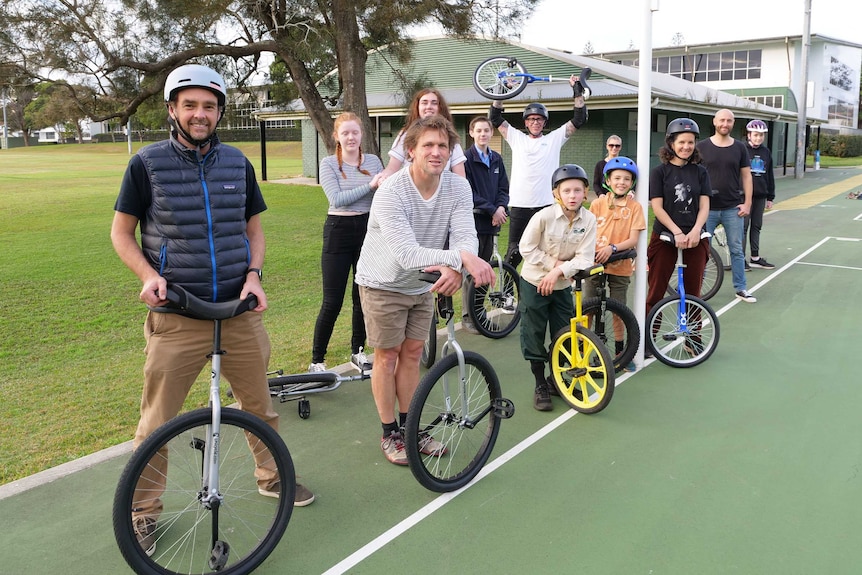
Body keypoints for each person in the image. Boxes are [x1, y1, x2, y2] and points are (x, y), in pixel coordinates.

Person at [110, 64, 314, 556]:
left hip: (238, 312)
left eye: (209, 105)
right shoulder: (147, 164)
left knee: (260, 407)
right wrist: (148, 276)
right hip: (177, 315)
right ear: (173, 110)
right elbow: (121, 233)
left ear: (219, 111)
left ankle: (271, 477)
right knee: (157, 423)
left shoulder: (238, 163)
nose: (200, 114)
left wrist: (253, 275)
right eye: (191, 105)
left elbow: (254, 231)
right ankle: (144, 511)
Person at [354, 115, 495, 465]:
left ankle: (412, 427)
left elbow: (465, 236)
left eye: (442, 146)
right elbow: (406, 253)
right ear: (411, 151)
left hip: (422, 282)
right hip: (382, 281)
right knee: (387, 356)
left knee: (414, 353)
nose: (436, 152)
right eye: (428, 145)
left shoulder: (458, 187)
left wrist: (457, 263)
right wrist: (461, 259)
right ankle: (390, 434)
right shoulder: (391, 190)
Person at [309, 112, 385, 373]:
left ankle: (358, 351)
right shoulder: (328, 163)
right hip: (338, 229)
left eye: (355, 132)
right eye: (345, 133)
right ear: (337, 137)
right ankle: (317, 360)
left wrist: (377, 187)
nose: (351, 137)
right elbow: (337, 199)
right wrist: (371, 186)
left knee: (360, 295)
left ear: (361, 134)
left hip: (367, 230)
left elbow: (382, 197)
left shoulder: (374, 161)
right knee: (333, 300)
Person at [489, 74, 589, 269]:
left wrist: (577, 91)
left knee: (547, 251)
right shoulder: (516, 137)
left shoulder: (554, 139)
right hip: (520, 204)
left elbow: (579, 118)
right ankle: (507, 293)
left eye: (539, 119)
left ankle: (544, 288)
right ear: (526, 122)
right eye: (532, 119)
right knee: (514, 251)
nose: (535, 122)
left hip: (546, 204)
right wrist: (502, 90)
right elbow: (495, 117)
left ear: (545, 122)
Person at [518, 164, 596, 411]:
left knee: (564, 333)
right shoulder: (543, 217)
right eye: (566, 191)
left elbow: (585, 258)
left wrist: (558, 272)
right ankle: (540, 383)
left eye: (577, 190)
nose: (572, 196)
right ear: (556, 194)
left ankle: (556, 378)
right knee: (534, 332)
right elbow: (526, 248)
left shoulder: (589, 219)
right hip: (534, 283)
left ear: (585, 193)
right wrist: (553, 265)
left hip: (562, 285)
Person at [646, 118, 712, 320]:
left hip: (695, 236)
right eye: (681, 142)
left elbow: (704, 205)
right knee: (656, 291)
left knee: (694, 293)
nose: (686, 147)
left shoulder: (700, 171)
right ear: (671, 144)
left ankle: (693, 339)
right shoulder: (659, 172)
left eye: (690, 142)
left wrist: (695, 231)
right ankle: (649, 339)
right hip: (665, 236)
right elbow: (657, 207)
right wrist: (676, 232)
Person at [585, 156, 646, 372]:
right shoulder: (597, 204)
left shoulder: (635, 207)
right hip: (595, 264)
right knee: (588, 309)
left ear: (632, 183)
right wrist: (593, 252)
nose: (621, 182)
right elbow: (587, 233)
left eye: (627, 179)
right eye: (617, 177)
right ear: (608, 181)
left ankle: (621, 353)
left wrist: (611, 249)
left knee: (619, 310)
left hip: (619, 264)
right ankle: (583, 350)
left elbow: (632, 240)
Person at [696, 108, 757, 303]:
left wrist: (747, 203)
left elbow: (747, 176)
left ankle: (741, 288)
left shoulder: (740, 148)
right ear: (714, 122)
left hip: (732, 208)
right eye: (722, 120)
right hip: (707, 209)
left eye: (729, 121)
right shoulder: (701, 147)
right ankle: (697, 290)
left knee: (737, 250)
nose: (725, 124)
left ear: (733, 123)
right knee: (703, 250)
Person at [461, 115, 510, 334]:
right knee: (471, 272)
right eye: (478, 130)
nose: (483, 134)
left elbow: (503, 189)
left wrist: (500, 208)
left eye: (486, 130)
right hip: (473, 223)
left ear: (492, 133)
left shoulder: (497, 159)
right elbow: (467, 191)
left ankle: (479, 315)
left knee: (485, 270)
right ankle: (468, 317)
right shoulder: (465, 159)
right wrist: (492, 209)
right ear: (471, 133)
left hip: (491, 224)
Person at [380, 87, 467, 178]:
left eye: (434, 103)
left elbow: (460, 175)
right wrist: (382, 179)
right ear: (417, 107)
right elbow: (392, 169)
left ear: (440, 108)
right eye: (424, 103)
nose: (429, 106)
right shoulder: (405, 135)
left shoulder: (449, 136)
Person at [743, 119, 776, 270]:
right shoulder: (741, 149)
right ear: (749, 135)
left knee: (756, 226)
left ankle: (755, 257)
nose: (758, 138)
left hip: (760, 195)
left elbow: (769, 175)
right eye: (756, 135)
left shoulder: (766, 152)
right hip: (743, 196)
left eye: (761, 136)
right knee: (742, 227)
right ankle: (739, 258)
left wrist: (770, 196)